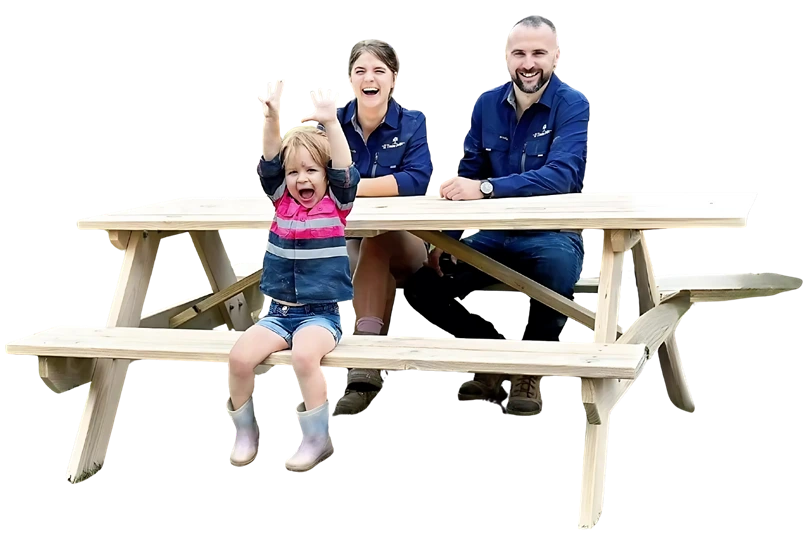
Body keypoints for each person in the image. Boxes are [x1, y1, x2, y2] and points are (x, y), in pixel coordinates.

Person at [422, 14, 589, 416]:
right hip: (493, 235)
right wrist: (445, 237)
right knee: (429, 283)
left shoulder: (573, 105)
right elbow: (470, 171)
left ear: (556, 57)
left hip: (553, 234)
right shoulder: (487, 105)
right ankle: (492, 360)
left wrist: (486, 189)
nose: (528, 62)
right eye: (519, 53)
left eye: (538, 53)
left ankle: (531, 371)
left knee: (553, 272)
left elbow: (561, 176)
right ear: (506, 57)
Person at [225, 81, 359, 472]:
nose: (303, 179)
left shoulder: (337, 204)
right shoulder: (281, 198)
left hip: (321, 315)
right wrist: (270, 118)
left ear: (325, 175)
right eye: (294, 171)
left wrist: (331, 124)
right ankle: (243, 433)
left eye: (312, 170)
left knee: (304, 356)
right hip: (277, 313)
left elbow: (344, 168)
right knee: (238, 357)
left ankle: (316, 440)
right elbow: (268, 159)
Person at [332, 39, 434, 416]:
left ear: (393, 79)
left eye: (379, 71)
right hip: (348, 245)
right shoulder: (332, 124)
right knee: (365, 255)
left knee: (376, 243)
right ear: (350, 80)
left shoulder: (412, 123)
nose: (369, 78)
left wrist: (350, 187)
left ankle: (363, 360)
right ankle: (366, 370)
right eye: (360, 71)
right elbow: (309, 177)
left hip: (405, 242)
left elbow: (416, 180)